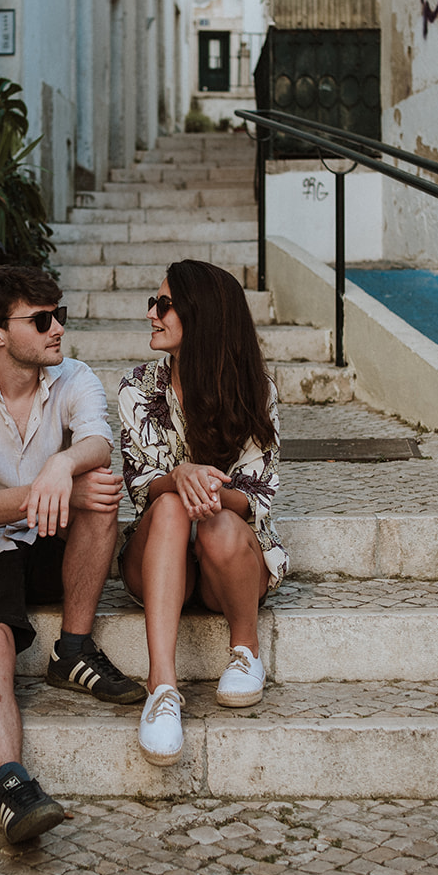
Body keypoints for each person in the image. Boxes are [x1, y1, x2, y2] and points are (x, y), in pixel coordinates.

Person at [0, 265, 147, 843]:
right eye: (42, 320)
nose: (58, 330)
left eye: (60, 316)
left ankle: (72, 649)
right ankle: (14, 787)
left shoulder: (74, 377)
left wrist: (60, 467)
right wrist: (52, 491)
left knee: (99, 487)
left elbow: (98, 439)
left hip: (50, 538)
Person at [116, 259, 285, 767]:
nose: (152, 312)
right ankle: (162, 687)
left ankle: (246, 649)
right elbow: (141, 487)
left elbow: (259, 494)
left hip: (223, 563)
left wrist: (203, 481)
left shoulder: (256, 390)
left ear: (202, 316)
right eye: (154, 302)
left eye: (164, 304)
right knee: (168, 505)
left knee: (216, 520)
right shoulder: (137, 388)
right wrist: (179, 479)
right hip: (158, 560)